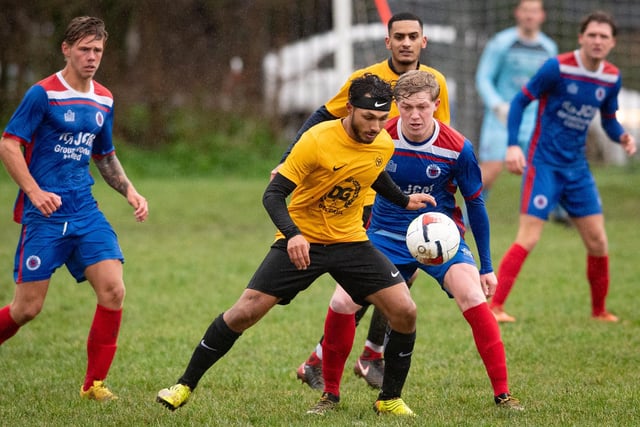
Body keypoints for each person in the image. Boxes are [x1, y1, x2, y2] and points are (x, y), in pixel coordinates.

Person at [156, 74, 435, 417]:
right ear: (349, 109)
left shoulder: (383, 143)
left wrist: (403, 201)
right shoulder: (316, 140)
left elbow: (373, 172)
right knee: (246, 310)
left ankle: (389, 399)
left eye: (382, 119)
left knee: (405, 310)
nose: (376, 126)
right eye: (368, 118)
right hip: (302, 238)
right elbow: (273, 195)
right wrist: (293, 235)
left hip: (350, 241)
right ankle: (183, 385)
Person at [302, 70, 524, 412]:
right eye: (406, 108)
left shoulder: (457, 148)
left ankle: (504, 394)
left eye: (422, 107)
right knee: (343, 302)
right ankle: (329, 394)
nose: (415, 115)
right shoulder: (379, 138)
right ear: (396, 107)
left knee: (472, 295)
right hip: (384, 237)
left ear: (436, 105)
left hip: (442, 238)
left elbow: (475, 205)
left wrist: (487, 267)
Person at [279, 12, 451, 391]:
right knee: (368, 283)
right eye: (399, 36)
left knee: (405, 273)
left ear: (424, 42)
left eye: (413, 36)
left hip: (408, 193)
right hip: (367, 193)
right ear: (387, 42)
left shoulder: (434, 82)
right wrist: (286, 162)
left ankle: (367, 353)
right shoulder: (367, 81)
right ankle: (327, 360)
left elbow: (442, 139)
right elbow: (323, 116)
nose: (406, 42)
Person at [0, 16, 149, 401]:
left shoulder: (104, 98)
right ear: (66, 49)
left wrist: (130, 191)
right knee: (27, 309)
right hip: (45, 216)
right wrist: (34, 191)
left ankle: (93, 385)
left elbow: (104, 154)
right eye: (84, 49)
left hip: (85, 210)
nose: (91, 57)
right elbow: (8, 144)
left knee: (114, 290)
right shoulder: (43, 94)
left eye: (97, 50)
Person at [490, 11, 637, 323]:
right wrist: (514, 145)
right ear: (581, 38)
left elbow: (608, 119)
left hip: (577, 169)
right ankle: (495, 306)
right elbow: (520, 101)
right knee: (528, 237)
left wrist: (621, 136)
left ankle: (599, 312)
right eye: (592, 35)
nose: (597, 41)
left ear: (612, 43)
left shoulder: (611, 76)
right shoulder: (557, 67)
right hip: (544, 164)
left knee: (598, 241)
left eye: (604, 37)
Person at [475, 0, 570, 230]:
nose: (529, 15)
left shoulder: (548, 47)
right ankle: (467, 219)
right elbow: (483, 77)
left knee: (545, 165)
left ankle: (559, 211)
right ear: (518, 13)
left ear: (542, 16)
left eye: (534, 11)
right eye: (525, 10)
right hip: (501, 118)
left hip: (533, 119)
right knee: (490, 171)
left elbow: (553, 83)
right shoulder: (502, 42)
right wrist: (497, 105)